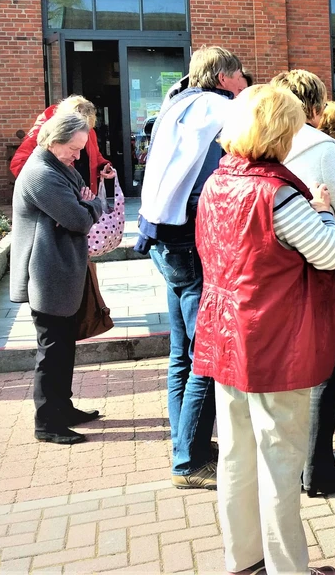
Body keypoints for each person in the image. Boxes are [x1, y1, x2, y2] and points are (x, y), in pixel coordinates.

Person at [193, 84, 335, 575]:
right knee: (279, 462)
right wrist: (325, 213)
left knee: (237, 457)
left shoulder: (217, 183)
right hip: (273, 343)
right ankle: (287, 569)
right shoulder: (277, 195)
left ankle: (244, 560)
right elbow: (329, 253)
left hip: (226, 337)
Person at [138, 45, 248, 490]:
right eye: (241, 74)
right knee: (205, 355)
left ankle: (184, 442)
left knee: (181, 353)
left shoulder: (176, 104)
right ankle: (189, 461)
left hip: (161, 237)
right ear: (224, 77)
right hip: (190, 240)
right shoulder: (220, 109)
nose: (245, 81)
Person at [270, 70, 335, 497]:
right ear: (318, 107)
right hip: (322, 266)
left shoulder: (266, 145)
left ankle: (294, 461)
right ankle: (318, 467)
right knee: (325, 372)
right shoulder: (323, 146)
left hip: (280, 273)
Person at [10, 112, 105, 445]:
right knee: (52, 350)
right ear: (53, 140)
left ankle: (62, 408)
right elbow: (79, 219)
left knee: (63, 347)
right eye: (73, 149)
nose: (77, 157)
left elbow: (85, 200)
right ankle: (47, 423)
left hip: (61, 271)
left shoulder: (58, 167)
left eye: (80, 150)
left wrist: (86, 205)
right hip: (47, 275)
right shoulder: (41, 173)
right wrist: (90, 207)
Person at [10, 94, 116, 189]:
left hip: (84, 194)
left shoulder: (86, 127)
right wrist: (49, 189)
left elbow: (94, 155)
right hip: (61, 196)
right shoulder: (45, 131)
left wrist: (103, 166)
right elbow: (19, 164)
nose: (84, 130)